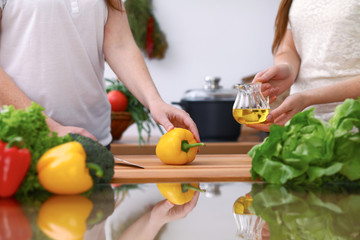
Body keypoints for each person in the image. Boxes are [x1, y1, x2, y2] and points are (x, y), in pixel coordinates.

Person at [0, 0, 200, 148]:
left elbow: (119, 43)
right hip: (19, 142)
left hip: (93, 142)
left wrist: (154, 101)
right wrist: (48, 127)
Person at [249, 0, 360, 132]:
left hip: (351, 123)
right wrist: (287, 70)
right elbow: (289, 47)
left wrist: (308, 98)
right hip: (302, 124)